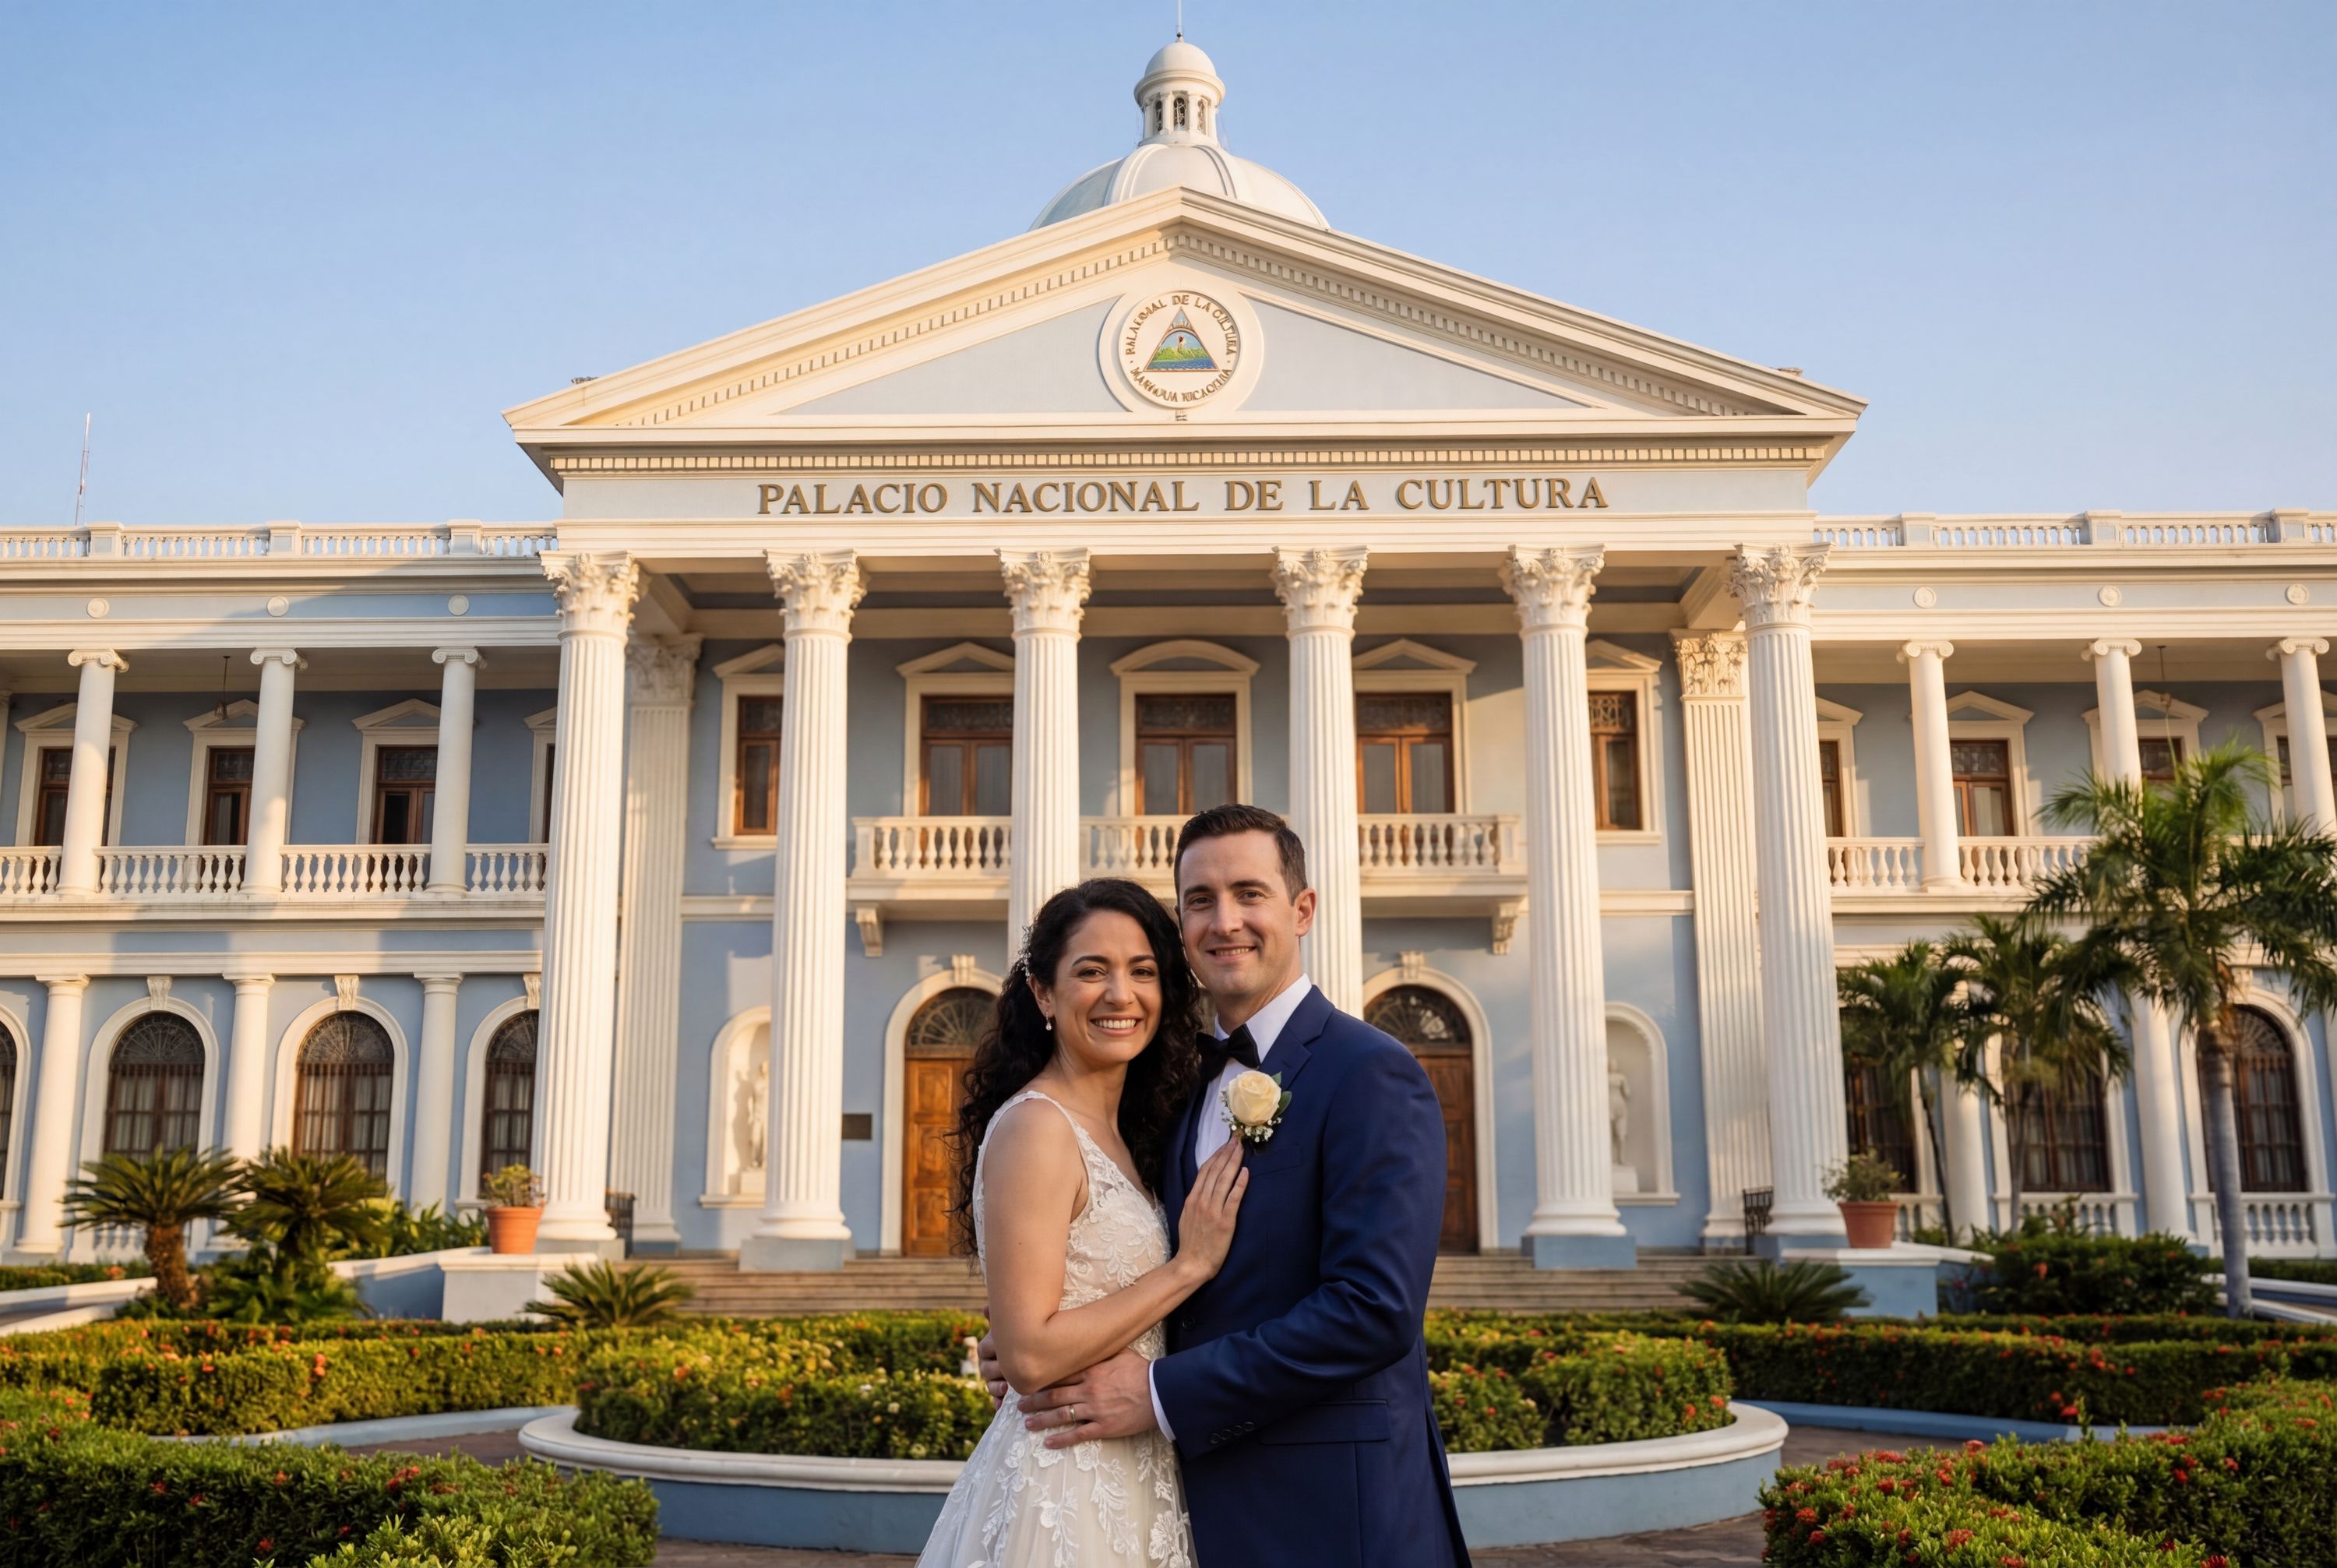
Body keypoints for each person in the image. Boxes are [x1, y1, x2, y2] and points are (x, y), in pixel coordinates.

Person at [989, 805, 1472, 1568]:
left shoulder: (1370, 1072)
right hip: (1187, 1505)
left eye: (1249, 893)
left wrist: (1155, 1392)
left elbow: (1373, 1310)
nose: (1225, 922)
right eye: (1200, 901)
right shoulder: (1174, 1083)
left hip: (1332, 1513)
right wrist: (1040, 1341)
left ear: (1302, 909)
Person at [917, 876, 1248, 1568]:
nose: (1120, 994)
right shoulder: (1038, 1126)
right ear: (1042, 992)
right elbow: (1032, 1355)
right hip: (1067, 1485)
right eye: (1091, 971)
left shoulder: (1132, 1131)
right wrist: (1187, 1266)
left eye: (1143, 971)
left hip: (1139, 1468)